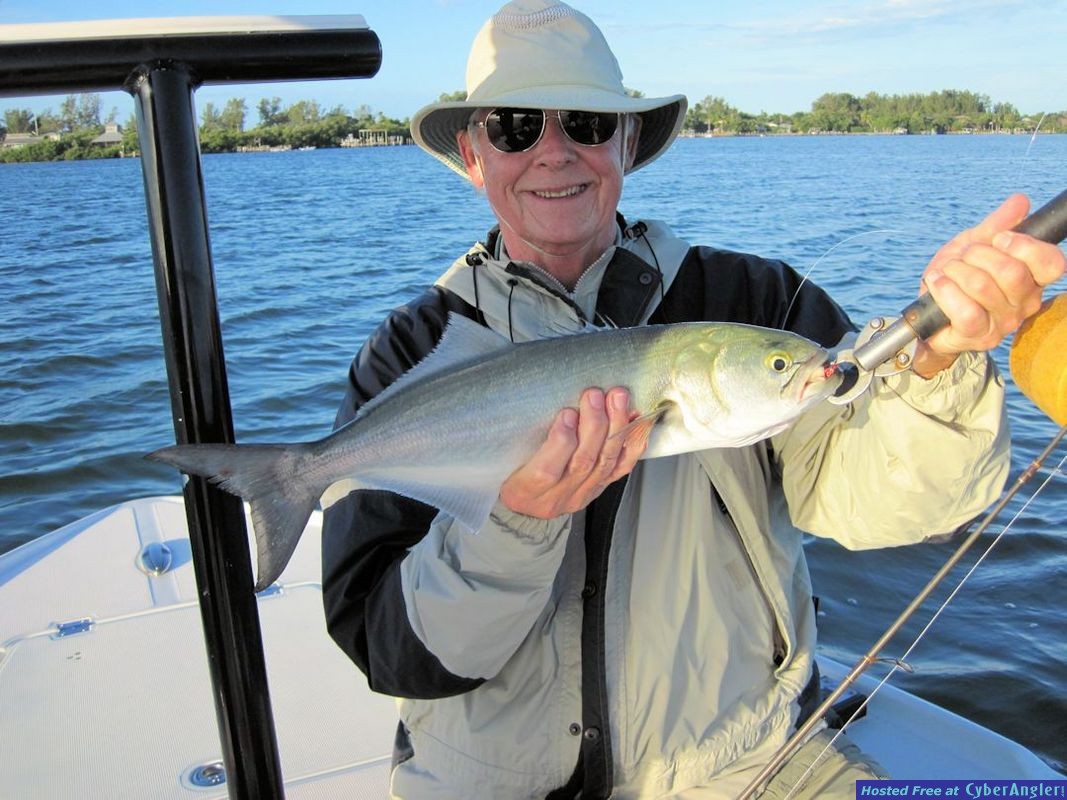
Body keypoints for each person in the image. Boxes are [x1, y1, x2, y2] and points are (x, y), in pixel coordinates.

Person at [321, 2, 1066, 798]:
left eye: (584, 120)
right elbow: (398, 656)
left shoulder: (761, 301)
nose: (552, 153)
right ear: (473, 155)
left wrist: (934, 366)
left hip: (750, 762)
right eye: (512, 127)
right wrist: (516, 523)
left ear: (626, 142)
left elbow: (888, 507)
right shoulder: (409, 354)